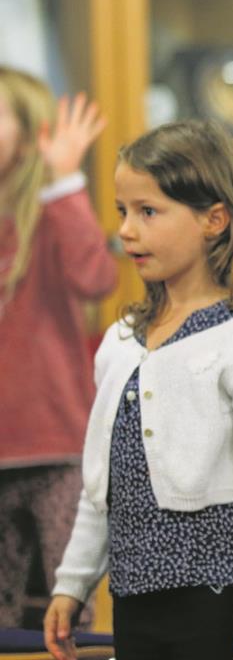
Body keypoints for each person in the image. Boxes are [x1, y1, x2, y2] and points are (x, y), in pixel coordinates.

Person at [43, 120, 233, 660]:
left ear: (215, 219)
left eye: (149, 211)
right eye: (122, 211)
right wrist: (72, 582)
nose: (127, 230)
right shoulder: (121, 343)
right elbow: (104, 485)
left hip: (220, 602)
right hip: (136, 600)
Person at [0, 67, 116, 628]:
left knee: (66, 615)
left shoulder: (49, 214)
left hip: (57, 452)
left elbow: (96, 278)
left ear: (27, 130)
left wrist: (67, 182)